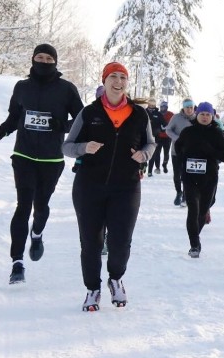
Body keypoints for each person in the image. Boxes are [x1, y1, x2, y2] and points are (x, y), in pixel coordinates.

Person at [63, 62, 156, 311]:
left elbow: (151, 144)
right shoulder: (89, 112)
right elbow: (67, 145)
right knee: (91, 242)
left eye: (122, 77)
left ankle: (115, 279)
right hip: (89, 186)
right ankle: (93, 289)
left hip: (126, 187)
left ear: (127, 82)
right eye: (113, 76)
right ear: (104, 81)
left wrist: (144, 156)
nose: (118, 81)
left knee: (120, 241)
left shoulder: (139, 114)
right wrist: (84, 148)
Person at [0, 43, 84, 284]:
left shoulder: (66, 89)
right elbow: (14, 117)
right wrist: (0, 132)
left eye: (48, 58)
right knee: (23, 206)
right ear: (32, 59)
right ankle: (17, 262)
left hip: (52, 159)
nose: (43, 61)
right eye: (39, 57)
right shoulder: (22, 87)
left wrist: (60, 125)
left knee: (40, 206)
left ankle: (37, 233)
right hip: (23, 156)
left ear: (55, 62)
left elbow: (82, 120)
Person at [174, 101, 224, 257]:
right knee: (193, 210)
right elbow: (178, 148)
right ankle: (194, 245)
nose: (205, 117)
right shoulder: (188, 132)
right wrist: (183, 160)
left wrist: (210, 151)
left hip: (209, 176)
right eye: (202, 114)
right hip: (190, 176)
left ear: (212, 116)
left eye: (208, 115)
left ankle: (195, 234)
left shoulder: (217, 133)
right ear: (197, 115)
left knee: (204, 209)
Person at [166, 98, 196, 206]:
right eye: (187, 107)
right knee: (177, 174)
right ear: (183, 108)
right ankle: (178, 192)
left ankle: (185, 196)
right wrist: (177, 138)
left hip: (191, 152)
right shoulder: (176, 117)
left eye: (191, 107)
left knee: (187, 175)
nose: (189, 110)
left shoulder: (197, 118)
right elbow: (168, 130)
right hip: (177, 151)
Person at [145, 98, 164, 176]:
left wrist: (159, 130)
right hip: (144, 136)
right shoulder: (144, 112)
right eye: (150, 105)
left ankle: (150, 171)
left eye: (153, 105)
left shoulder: (158, 114)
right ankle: (142, 167)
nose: (151, 106)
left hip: (155, 137)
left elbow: (164, 125)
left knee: (153, 153)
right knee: (143, 152)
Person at [156, 100, 174, 173]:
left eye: (164, 107)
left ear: (166, 107)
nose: (163, 108)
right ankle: (157, 167)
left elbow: (173, 124)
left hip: (167, 137)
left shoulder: (171, 114)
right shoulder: (157, 114)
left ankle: (164, 165)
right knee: (157, 153)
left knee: (166, 153)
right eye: (162, 106)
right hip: (158, 137)